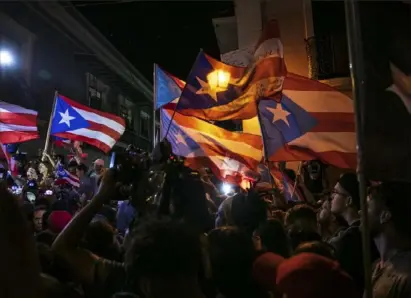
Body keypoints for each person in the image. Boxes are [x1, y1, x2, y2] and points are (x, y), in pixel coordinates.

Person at [329, 173, 378, 292]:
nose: (331, 197)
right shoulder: (353, 232)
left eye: (336, 192)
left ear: (349, 200)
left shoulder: (352, 238)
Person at [367, 182, 411, 298]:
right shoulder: (377, 266)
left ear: (385, 215)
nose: (360, 212)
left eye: (367, 207)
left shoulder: (405, 273)